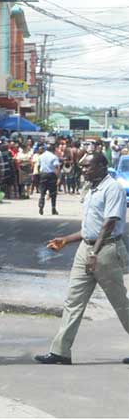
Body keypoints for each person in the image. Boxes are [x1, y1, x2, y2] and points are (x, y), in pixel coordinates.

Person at [34, 152, 129, 365]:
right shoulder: (91, 189)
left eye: (88, 167)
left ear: (103, 166)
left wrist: (94, 253)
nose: (84, 170)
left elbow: (109, 223)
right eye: (83, 167)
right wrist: (66, 239)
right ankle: (60, 352)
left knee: (121, 303)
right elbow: (91, 228)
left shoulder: (112, 188)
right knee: (73, 301)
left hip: (105, 252)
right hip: (86, 250)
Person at [38, 143, 61, 216]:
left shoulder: (41, 156)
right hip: (51, 175)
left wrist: (40, 174)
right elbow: (57, 167)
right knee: (53, 193)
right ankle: (53, 208)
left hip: (43, 175)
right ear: (53, 149)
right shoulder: (54, 157)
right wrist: (58, 177)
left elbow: (38, 166)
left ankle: (41, 206)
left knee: (42, 192)